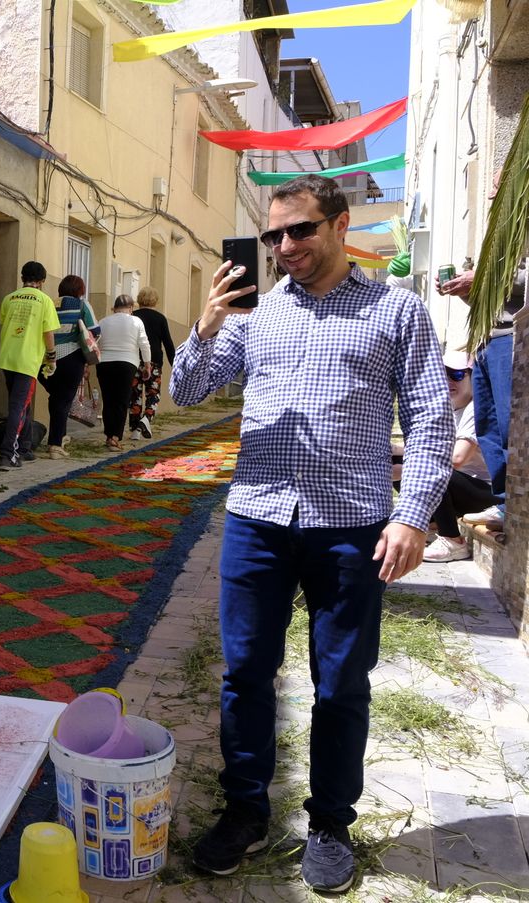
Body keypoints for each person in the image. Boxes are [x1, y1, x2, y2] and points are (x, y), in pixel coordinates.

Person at [169, 174, 452, 892]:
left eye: (299, 230)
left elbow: (428, 417)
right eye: (273, 235)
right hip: (258, 520)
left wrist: (413, 514)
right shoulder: (256, 317)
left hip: (351, 526)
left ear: (339, 224)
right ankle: (244, 810)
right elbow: (186, 392)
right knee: (244, 674)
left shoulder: (396, 311)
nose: (284, 246)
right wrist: (204, 328)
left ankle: (329, 823)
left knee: (343, 682)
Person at [436, 254, 524, 531]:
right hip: (485, 337)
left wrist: (486, 278)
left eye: (455, 374)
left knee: (509, 428)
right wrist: (468, 291)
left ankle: (512, 505)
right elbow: (499, 302)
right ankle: (502, 504)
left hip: (513, 334)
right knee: (491, 429)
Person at [421, 351, 498, 562]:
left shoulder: (476, 409)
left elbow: (457, 459)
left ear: (473, 378)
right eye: (442, 374)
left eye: (456, 375)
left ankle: (453, 541)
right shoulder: (451, 410)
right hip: (461, 489)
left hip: (487, 494)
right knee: (401, 462)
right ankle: (434, 523)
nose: (448, 381)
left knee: (431, 469)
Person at [0, 261, 59, 471]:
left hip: (7, 358)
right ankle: (7, 455)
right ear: (41, 281)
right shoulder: (44, 301)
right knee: (18, 407)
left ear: (23, 278)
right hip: (27, 360)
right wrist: (52, 357)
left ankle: (24, 447)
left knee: (22, 404)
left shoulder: (9, 299)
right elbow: (48, 333)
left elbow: (6, 324)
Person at [37, 274, 99, 459]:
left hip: (45, 360)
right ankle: (55, 445)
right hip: (71, 358)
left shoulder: (49, 303)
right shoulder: (82, 305)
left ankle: (60, 436)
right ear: (80, 290)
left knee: (56, 398)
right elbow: (95, 331)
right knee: (63, 400)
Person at [95, 295, 151, 451]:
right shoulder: (136, 321)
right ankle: (114, 437)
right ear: (131, 308)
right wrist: (147, 365)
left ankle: (108, 435)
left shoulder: (103, 321)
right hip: (127, 364)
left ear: (114, 308)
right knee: (121, 401)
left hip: (104, 363)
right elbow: (144, 343)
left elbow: (96, 342)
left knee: (108, 399)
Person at [128, 287, 177, 439]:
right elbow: (168, 344)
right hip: (154, 361)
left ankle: (135, 430)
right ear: (155, 300)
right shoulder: (160, 318)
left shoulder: (132, 316)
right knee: (153, 394)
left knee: (135, 394)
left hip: (135, 360)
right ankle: (146, 419)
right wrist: (175, 364)